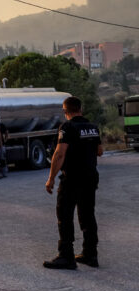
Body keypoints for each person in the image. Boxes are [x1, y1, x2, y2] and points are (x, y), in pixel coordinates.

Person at [43, 96, 103, 270]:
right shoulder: (93, 127)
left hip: (73, 179)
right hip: (91, 178)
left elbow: (59, 154)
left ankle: (66, 256)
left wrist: (51, 178)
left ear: (65, 111)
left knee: (65, 216)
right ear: (80, 109)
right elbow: (100, 151)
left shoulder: (67, 127)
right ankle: (90, 254)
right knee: (87, 215)